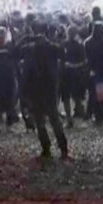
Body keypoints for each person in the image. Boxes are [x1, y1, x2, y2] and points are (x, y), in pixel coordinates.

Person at [21, 22, 70, 160]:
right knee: (54, 119)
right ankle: (63, 148)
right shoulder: (51, 46)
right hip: (49, 87)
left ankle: (46, 148)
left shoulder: (29, 48)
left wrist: (24, 38)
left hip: (35, 88)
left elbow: (16, 54)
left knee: (40, 120)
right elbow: (63, 54)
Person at [60, 27, 88, 127]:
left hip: (69, 74)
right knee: (74, 96)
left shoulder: (65, 44)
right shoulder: (77, 45)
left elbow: (84, 61)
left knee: (69, 97)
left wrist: (71, 65)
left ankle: (71, 118)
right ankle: (76, 115)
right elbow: (84, 61)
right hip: (72, 74)